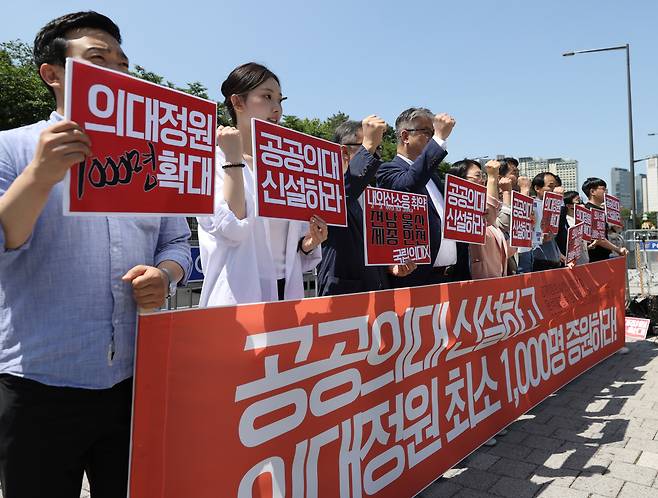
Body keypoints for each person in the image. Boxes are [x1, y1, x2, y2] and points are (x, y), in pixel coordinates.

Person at [0, 12, 192, 498]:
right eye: (96, 59)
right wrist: (40, 177)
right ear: (53, 73)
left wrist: (164, 274)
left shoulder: (152, 157)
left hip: (132, 377)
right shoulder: (12, 150)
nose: (116, 73)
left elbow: (177, 243)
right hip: (39, 383)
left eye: (123, 64)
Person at [197, 63, 326, 306]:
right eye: (266, 97)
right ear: (238, 103)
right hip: (236, 297)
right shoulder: (212, 159)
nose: (276, 109)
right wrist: (234, 161)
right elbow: (232, 229)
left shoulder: (288, 166)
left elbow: (295, 244)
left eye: (280, 100)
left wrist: (310, 242)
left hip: (285, 293)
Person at [316, 118, 416, 295]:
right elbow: (344, 194)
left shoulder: (376, 195)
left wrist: (389, 266)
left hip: (378, 292)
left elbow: (375, 248)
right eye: (368, 147)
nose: (376, 155)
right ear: (343, 151)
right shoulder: (326, 190)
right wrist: (368, 146)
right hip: (344, 294)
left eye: (378, 148)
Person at [376, 107, 470, 287]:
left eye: (434, 133)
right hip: (415, 278)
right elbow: (408, 186)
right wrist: (439, 139)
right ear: (405, 136)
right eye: (427, 132)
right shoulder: (388, 170)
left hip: (449, 276)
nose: (432, 137)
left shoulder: (433, 177)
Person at [581, 177, 628, 262]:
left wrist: (615, 224)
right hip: (594, 257)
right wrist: (617, 249)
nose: (606, 192)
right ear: (592, 192)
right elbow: (599, 238)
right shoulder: (588, 210)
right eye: (603, 189)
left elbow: (608, 232)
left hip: (603, 255)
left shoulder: (601, 211)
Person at [530, 172, 568, 271]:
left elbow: (555, 233)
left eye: (556, 186)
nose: (554, 190)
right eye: (551, 187)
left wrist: (558, 253)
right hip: (539, 260)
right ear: (537, 188)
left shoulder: (553, 208)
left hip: (553, 261)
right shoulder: (532, 207)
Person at [558, 191, 589, 265]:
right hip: (573, 263)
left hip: (585, 259)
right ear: (569, 206)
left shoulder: (585, 218)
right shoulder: (565, 221)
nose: (581, 204)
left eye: (581, 201)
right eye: (578, 201)